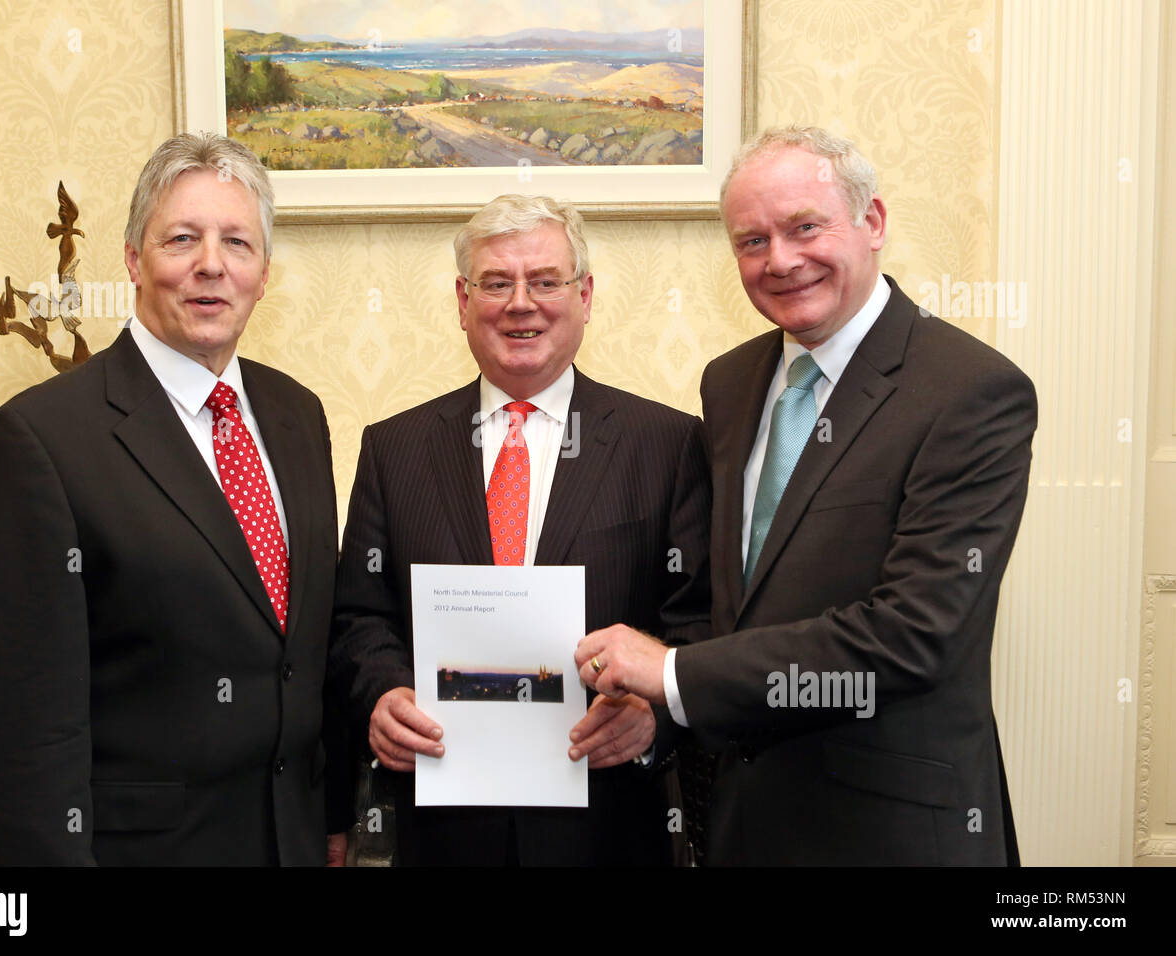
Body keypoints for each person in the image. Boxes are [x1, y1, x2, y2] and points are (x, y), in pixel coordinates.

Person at [577, 125, 1037, 865]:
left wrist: (669, 674)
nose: (781, 260)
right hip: (743, 819)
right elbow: (731, 601)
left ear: (873, 221)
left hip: (889, 831)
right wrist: (659, 701)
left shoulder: (969, 391)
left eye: (804, 228)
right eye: (751, 241)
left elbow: (915, 633)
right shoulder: (730, 384)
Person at [0, 132, 348, 865]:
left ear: (263, 274)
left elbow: (302, 661)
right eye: (182, 239)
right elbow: (17, 732)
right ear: (134, 259)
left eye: (238, 242)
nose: (211, 264)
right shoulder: (42, 441)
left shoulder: (299, 416)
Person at [330, 194, 711, 865]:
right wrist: (383, 693)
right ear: (461, 301)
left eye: (545, 281)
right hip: (443, 828)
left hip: (608, 825)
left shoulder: (668, 444)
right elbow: (360, 617)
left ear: (585, 296)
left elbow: (701, 624)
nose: (520, 303)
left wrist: (653, 720)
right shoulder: (395, 449)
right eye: (496, 283)